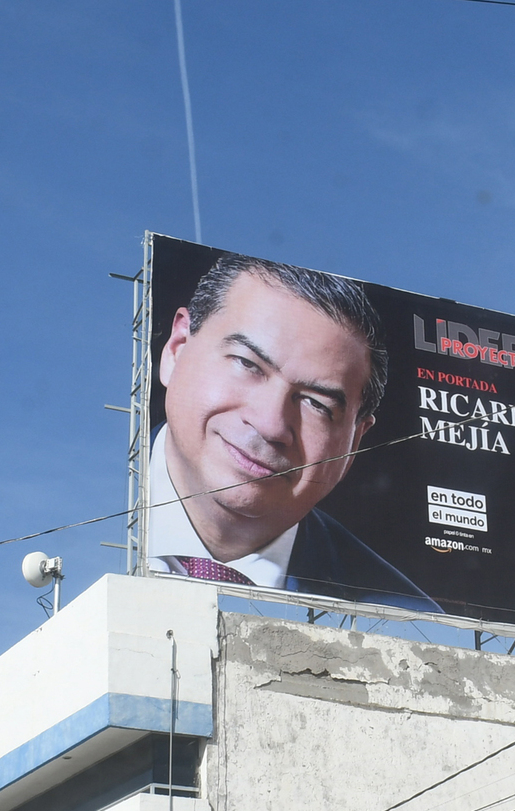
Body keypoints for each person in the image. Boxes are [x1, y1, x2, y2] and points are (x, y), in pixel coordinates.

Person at [149, 253, 439, 612]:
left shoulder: (406, 618)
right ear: (177, 349)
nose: (271, 425)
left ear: (356, 440)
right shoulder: (70, 505)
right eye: (247, 364)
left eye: (316, 404)